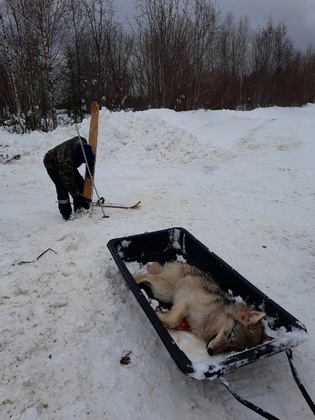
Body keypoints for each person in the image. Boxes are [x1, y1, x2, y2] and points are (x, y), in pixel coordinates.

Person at [44, 136, 95, 220]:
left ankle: (78, 207)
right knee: (62, 187)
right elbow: (69, 182)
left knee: (80, 183)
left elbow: (89, 157)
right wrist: (78, 197)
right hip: (52, 164)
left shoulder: (82, 142)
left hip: (67, 162)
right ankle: (66, 213)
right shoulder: (66, 162)